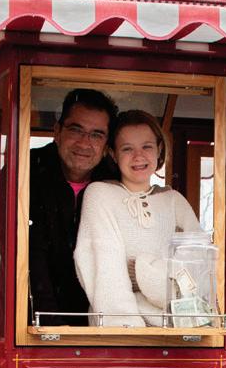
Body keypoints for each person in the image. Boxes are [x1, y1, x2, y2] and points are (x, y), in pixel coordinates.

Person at [74, 110, 202, 327]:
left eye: (147, 146)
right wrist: (129, 332)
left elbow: (197, 274)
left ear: (159, 149)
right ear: (113, 154)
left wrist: (139, 272)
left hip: (177, 329)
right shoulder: (100, 195)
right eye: (127, 149)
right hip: (121, 333)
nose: (138, 156)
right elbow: (105, 274)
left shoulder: (174, 201)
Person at [29, 88, 119, 326]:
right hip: (29, 323)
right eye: (76, 130)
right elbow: (26, 256)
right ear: (57, 132)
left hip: (98, 326)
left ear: (106, 145)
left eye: (96, 135)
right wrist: (50, 327)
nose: (84, 143)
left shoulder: (116, 183)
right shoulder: (26, 171)